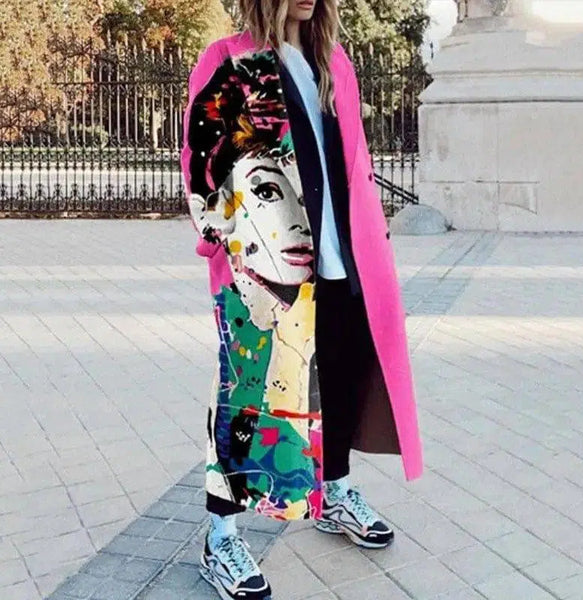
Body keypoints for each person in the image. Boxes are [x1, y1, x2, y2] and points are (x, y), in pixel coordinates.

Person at [180, 1, 424, 598]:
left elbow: (356, 159)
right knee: (245, 398)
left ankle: (334, 493)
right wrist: (222, 243)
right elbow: (201, 162)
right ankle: (220, 537)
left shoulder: (333, 63)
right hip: (268, 272)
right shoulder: (229, 60)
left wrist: (371, 242)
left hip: (343, 258)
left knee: (335, 384)